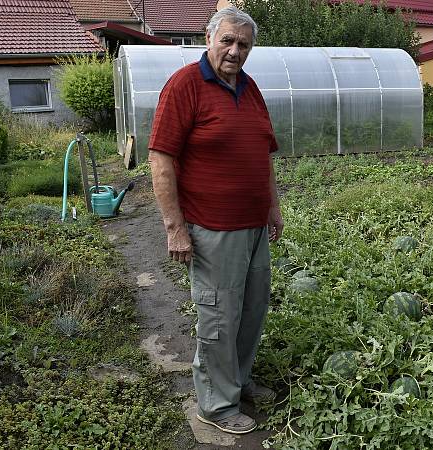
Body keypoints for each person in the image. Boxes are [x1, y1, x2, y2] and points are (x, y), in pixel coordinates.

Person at [148, 6, 283, 435]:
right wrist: (175, 227)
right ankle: (216, 405)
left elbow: (263, 156)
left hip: (254, 226)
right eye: (227, 40)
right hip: (212, 229)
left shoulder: (251, 88)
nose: (235, 50)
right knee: (219, 318)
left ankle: (238, 382)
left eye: (243, 44)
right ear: (209, 39)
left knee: (250, 311)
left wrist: (273, 208)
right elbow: (161, 159)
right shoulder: (185, 86)